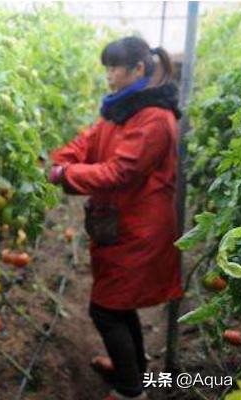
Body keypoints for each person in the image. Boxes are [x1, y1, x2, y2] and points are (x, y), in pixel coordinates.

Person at [48, 36, 183, 400]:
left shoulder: (155, 118)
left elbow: (120, 172)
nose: (108, 75)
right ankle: (134, 371)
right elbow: (90, 140)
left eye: (113, 68)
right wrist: (64, 159)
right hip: (119, 223)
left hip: (140, 229)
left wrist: (67, 175)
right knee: (118, 303)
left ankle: (130, 389)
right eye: (106, 67)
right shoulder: (123, 108)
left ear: (138, 69)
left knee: (106, 309)